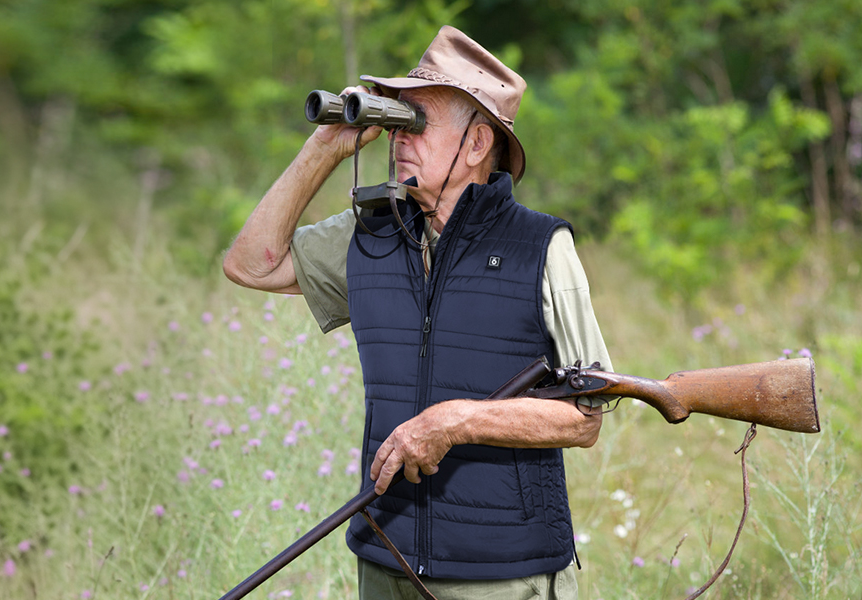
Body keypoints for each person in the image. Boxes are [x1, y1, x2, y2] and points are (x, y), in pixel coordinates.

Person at [221, 26, 614, 600]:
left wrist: (457, 421)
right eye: (397, 118)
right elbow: (251, 265)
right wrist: (325, 148)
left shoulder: (541, 247)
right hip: (386, 560)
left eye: (419, 121)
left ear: (478, 145)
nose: (399, 136)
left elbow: (586, 417)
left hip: (502, 575)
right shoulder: (372, 234)